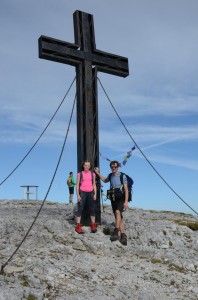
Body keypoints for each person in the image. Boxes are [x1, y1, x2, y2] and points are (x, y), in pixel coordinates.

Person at [94, 161, 128, 245]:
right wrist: (98, 173)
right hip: (113, 198)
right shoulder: (110, 175)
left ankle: (116, 232)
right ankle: (123, 236)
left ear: (118, 167)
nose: (113, 168)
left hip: (121, 198)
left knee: (117, 212)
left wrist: (126, 201)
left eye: (115, 167)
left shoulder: (122, 176)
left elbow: (126, 189)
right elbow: (105, 180)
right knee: (119, 217)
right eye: (112, 167)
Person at [75, 160, 97, 234]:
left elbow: (94, 184)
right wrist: (78, 195)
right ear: (83, 166)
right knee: (80, 208)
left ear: (90, 166)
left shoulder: (92, 174)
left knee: (92, 208)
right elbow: (77, 185)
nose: (87, 166)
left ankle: (93, 224)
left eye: (88, 165)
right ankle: (78, 226)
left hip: (90, 192)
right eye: (85, 165)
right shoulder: (79, 174)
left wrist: (95, 194)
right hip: (82, 192)